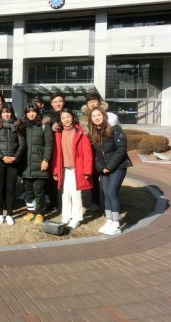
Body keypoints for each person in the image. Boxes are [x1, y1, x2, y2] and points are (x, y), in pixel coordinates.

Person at [89, 107, 132, 236]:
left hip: (118, 167)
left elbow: (121, 149)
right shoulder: (95, 133)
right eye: (93, 116)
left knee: (112, 193)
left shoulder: (114, 129)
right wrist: (101, 168)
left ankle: (116, 224)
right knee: (106, 193)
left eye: (98, 115)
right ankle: (109, 220)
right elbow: (97, 155)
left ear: (104, 115)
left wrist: (109, 166)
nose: (96, 118)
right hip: (105, 169)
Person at [52, 108, 93, 229]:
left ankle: (76, 218)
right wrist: (55, 170)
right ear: (60, 120)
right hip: (64, 169)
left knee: (76, 193)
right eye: (63, 118)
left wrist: (87, 171)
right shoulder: (58, 133)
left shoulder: (81, 132)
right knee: (65, 193)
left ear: (73, 117)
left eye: (68, 117)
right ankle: (66, 217)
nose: (66, 120)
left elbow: (88, 153)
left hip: (77, 168)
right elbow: (56, 154)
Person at [79, 91, 119, 211]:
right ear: (87, 104)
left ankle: (110, 204)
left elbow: (117, 132)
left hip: (106, 152)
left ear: (99, 102)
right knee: (94, 178)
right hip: (90, 152)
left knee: (107, 179)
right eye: (90, 102)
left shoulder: (108, 115)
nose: (92, 104)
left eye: (94, 101)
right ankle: (95, 202)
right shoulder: (82, 117)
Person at [0, 104, 25, 225]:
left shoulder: (17, 126)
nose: (6, 114)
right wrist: (2, 157)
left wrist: (15, 157)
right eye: (4, 112)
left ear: (12, 113)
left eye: (8, 112)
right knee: (0, 188)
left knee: (10, 188)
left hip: (13, 162)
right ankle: (0, 214)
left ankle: (9, 214)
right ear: (0, 113)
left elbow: (22, 144)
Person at [19, 102, 53, 226]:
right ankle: (30, 211)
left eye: (33, 111)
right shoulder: (23, 126)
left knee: (39, 191)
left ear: (38, 112)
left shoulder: (44, 125)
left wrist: (46, 159)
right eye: (29, 111)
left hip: (39, 164)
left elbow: (49, 144)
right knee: (28, 191)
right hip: (26, 165)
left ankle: (40, 213)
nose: (31, 114)